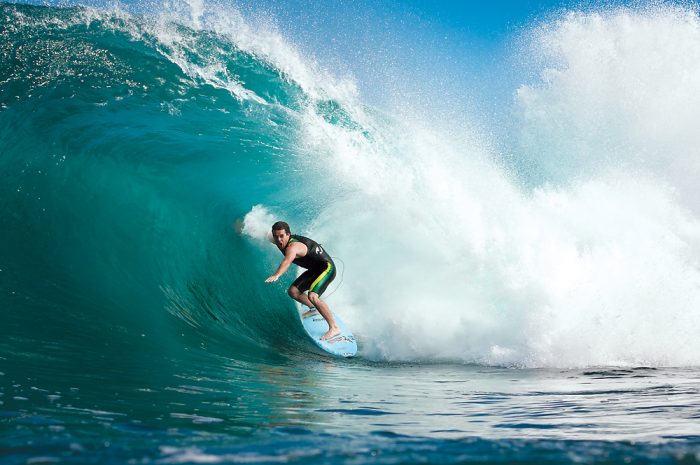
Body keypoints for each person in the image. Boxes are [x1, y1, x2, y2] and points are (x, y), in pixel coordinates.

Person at [264, 221, 340, 340]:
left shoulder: (293, 247)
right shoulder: (278, 240)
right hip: (315, 269)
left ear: (288, 234)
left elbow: (287, 261)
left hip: (327, 269)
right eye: (276, 236)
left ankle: (334, 327)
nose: (279, 240)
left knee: (313, 296)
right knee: (293, 291)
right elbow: (264, 234)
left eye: (282, 236)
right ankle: (314, 309)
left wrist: (277, 275)